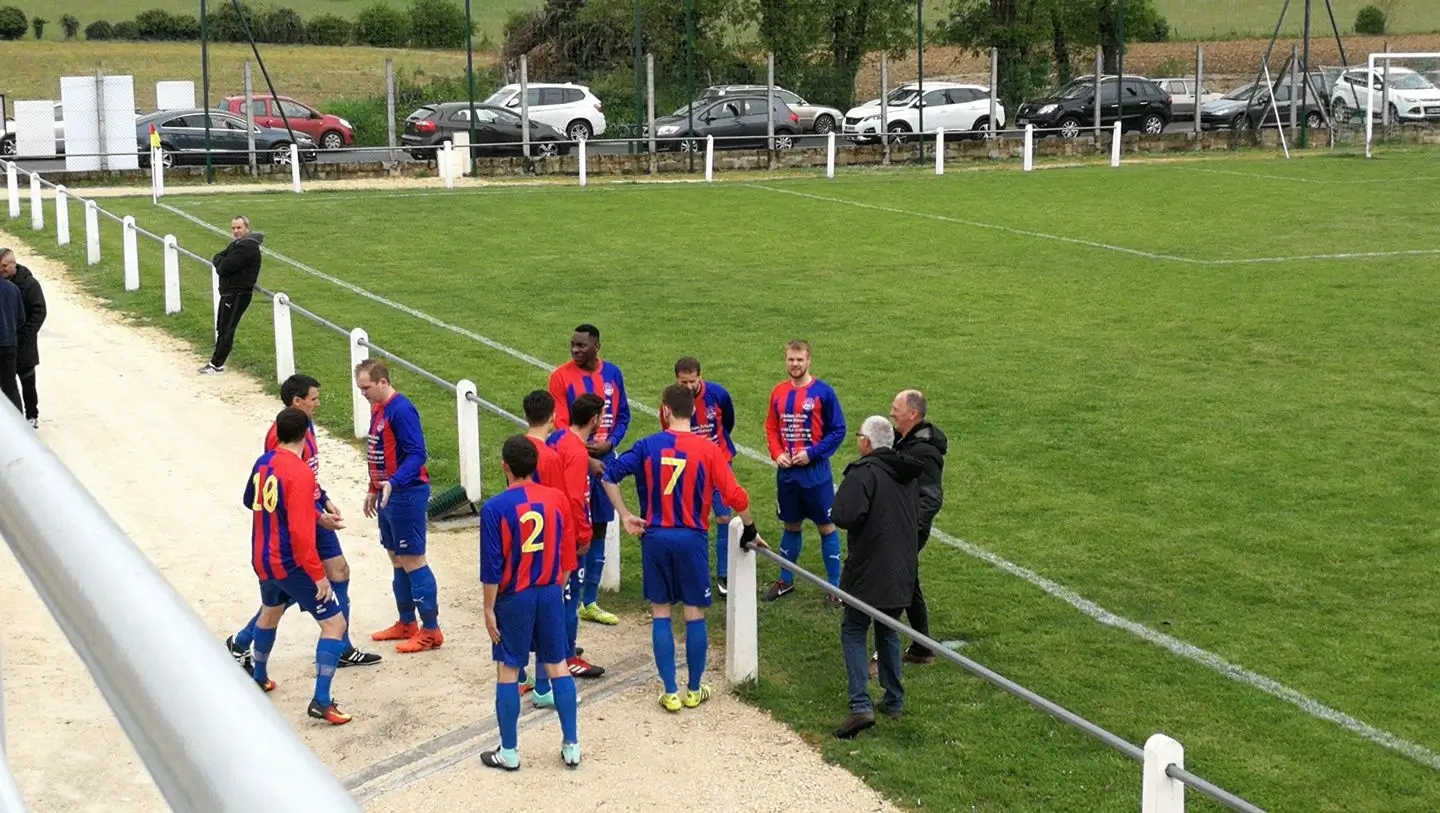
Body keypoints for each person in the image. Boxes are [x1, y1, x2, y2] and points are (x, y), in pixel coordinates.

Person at [602, 385, 766, 713]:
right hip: (692, 539)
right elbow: (734, 494)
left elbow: (609, 475)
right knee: (694, 613)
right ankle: (693, 689)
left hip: (656, 538)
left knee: (661, 612)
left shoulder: (647, 445)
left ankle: (670, 691)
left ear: (664, 410)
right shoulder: (708, 450)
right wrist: (749, 528)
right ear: (693, 412)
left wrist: (625, 514)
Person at [226, 374, 382, 671]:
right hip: (301, 518)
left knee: (339, 571)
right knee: (291, 589)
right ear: (297, 401)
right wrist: (316, 515)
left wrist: (323, 497)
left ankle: (342, 646)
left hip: (314, 510)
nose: (318, 404)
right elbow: (280, 485)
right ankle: (243, 640)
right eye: (314, 399)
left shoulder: (303, 426)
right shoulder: (281, 436)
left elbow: (307, 472)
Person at [244, 406, 353, 725]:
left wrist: (312, 514)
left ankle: (259, 676)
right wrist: (318, 575)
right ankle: (321, 700)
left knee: (270, 612)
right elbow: (301, 534)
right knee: (334, 625)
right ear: (306, 434)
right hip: (289, 562)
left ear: (277, 432)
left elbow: (250, 500)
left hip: (261, 556)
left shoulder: (263, 462)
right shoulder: (301, 472)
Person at [479, 436, 581, 771]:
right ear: (536, 465)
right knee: (557, 665)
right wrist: (554, 590)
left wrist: (489, 608)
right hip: (550, 591)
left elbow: (492, 567)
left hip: (514, 598)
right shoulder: (557, 499)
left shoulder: (495, 508)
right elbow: (568, 556)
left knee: (508, 669)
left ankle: (509, 752)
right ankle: (571, 745)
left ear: (505, 467)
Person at [830, 415, 922, 740]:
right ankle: (894, 700)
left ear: (866, 442)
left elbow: (843, 515)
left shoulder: (863, 473)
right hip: (902, 567)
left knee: (854, 630)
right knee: (888, 630)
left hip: (869, 568)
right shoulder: (907, 473)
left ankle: (860, 704)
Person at [520, 390, 605, 703]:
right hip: (556, 536)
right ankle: (565, 657)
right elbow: (570, 499)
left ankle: (524, 671)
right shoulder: (566, 454)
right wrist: (581, 536)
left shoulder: (552, 442)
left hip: (528, 533)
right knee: (566, 600)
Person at [356, 359, 442, 653]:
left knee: (413, 559)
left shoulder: (402, 410)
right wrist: (374, 487)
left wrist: (393, 481)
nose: (363, 393)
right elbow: (379, 451)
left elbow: (417, 454)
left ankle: (431, 630)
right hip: (388, 493)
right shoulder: (378, 407)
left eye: (366, 387)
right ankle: (407, 622)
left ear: (383, 382)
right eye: (360, 388)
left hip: (407, 493)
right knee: (396, 558)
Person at [548, 323, 630, 626]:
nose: (575, 350)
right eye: (572, 344)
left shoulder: (613, 374)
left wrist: (611, 442)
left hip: (604, 459)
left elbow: (624, 415)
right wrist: (584, 455)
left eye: (581, 345)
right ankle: (569, 594)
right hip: (574, 458)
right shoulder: (560, 376)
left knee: (599, 527)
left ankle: (590, 601)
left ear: (596, 346)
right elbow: (562, 424)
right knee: (573, 525)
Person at [762, 339, 847, 604]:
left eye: (799, 359)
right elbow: (771, 427)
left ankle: (835, 588)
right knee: (791, 524)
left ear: (809, 360)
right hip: (788, 475)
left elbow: (838, 430)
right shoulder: (778, 392)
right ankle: (785, 580)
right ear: (785, 360)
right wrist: (777, 453)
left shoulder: (823, 392)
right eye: (791, 359)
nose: (795, 364)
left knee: (826, 526)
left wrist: (812, 453)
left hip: (815, 474)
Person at [671, 356, 738, 594]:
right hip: (690, 469)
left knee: (724, 518)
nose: (689, 386)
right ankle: (691, 573)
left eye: (693, 381)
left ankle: (724, 574)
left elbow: (728, 422)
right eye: (683, 382)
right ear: (676, 380)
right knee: (690, 520)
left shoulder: (718, 394)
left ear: (701, 377)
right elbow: (669, 435)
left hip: (719, 465)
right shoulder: (671, 402)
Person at [891, 389, 948, 665]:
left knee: (894, 580)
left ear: (912, 414)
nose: (892, 412)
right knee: (908, 581)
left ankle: (884, 652)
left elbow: (932, 498)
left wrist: (908, 529)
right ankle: (922, 647)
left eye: (896, 408)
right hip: (901, 524)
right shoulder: (904, 440)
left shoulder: (925, 452)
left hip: (909, 528)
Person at [200, 216, 264, 375]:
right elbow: (218, 257)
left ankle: (217, 364)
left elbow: (222, 267)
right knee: (222, 327)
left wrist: (221, 262)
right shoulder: (238, 244)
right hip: (231, 293)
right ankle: (216, 362)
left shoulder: (247, 247)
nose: (235, 231)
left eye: (239, 228)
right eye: (233, 228)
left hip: (237, 294)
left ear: (247, 228)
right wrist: (221, 262)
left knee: (227, 328)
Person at [1, 249, 45, 428]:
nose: (1, 270)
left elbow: (39, 312)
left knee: (27, 380)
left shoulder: (29, 284)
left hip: (24, 342)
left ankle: (31, 415)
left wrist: (25, 334)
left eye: (4, 266)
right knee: (8, 383)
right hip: (9, 342)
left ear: (14, 264)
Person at [0, 273, 21, 414]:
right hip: (10, 343)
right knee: (10, 385)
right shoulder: (13, 288)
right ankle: (18, 420)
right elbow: (21, 318)